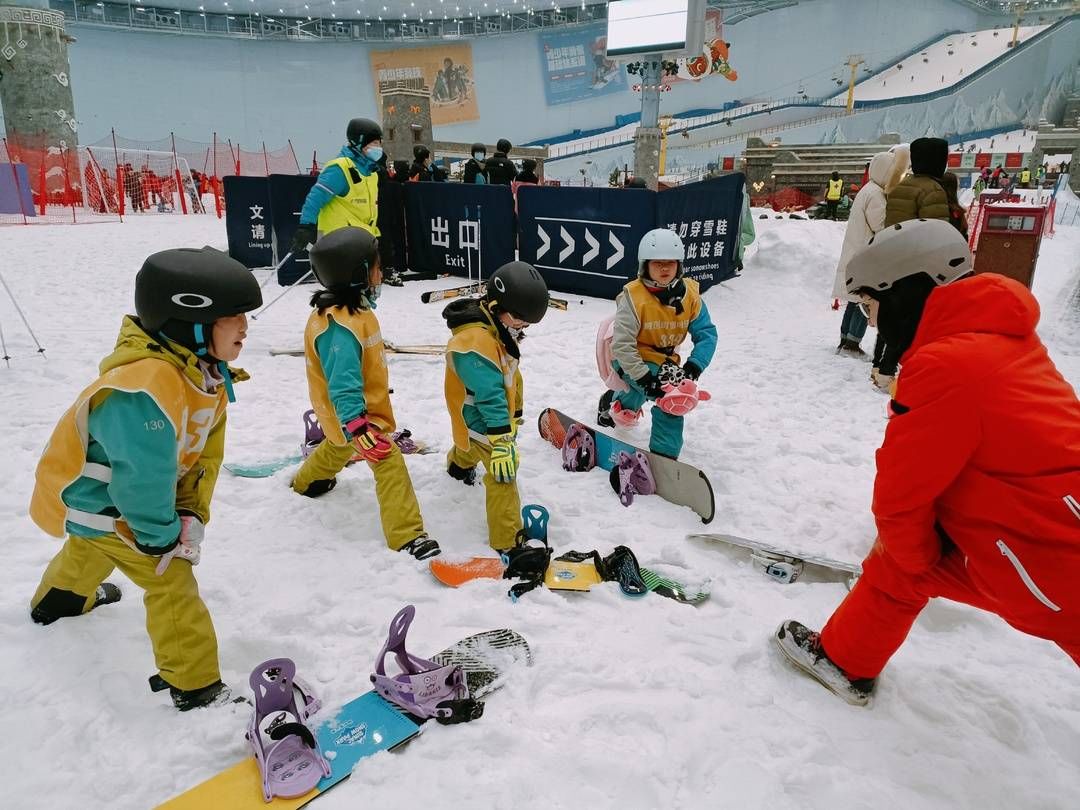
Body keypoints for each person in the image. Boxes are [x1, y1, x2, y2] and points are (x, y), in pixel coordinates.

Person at [775, 218, 1080, 706]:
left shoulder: (945, 366)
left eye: (872, 304)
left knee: (902, 559)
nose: (871, 321)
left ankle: (846, 659)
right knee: (900, 564)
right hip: (1056, 531)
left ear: (906, 294)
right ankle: (845, 658)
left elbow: (901, 497)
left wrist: (918, 559)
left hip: (1049, 556)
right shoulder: (1003, 339)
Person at [28, 248, 263, 711]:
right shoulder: (144, 387)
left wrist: (192, 510)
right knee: (170, 580)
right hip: (111, 505)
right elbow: (141, 477)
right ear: (188, 323)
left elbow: (203, 458)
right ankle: (195, 686)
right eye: (232, 316)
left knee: (88, 550)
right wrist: (159, 538)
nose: (245, 326)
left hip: (106, 507)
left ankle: (56, 601)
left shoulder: (202, 377)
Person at [289, 227, 439, 560]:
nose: (381, 274)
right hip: (355, 418)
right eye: (377, 267)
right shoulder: (338, 328)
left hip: (347, 421)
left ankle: (305, 482)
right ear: (357, 273)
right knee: (387, 460)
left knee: (337, 447)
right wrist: (359, 426)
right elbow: (343, 384)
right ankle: (406, 536)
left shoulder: (353, 313)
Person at [443, 262, 549, 551]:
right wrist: (502, 440)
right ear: (494, 303)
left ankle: (457, 466)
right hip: (484, 420)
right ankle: (507, 540)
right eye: (517, 319)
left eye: (526, 323)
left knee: (470, 447)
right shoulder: (476, 341)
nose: (521, 326)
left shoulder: (497, 330)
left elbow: (509, 375)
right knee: (503, 472)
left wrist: (516, 412)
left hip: (482, 419)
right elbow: (489, 394)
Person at [597, 229, 717, 460]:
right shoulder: (634, 297)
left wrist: (695, 365)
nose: (664, 269)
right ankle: (664, 458)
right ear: (645, 266)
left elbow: (707, 333)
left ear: (679, 265)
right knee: (672, 398)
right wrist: (644, 377)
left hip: (665, 361)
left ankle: (612, 404)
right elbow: (622, 345)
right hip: (631, 357)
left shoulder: (690, 296)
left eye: (670, 263)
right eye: (657, 263)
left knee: (641, 391)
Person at [832, 147, 908, 357]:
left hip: (858, 253)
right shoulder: (875, 194)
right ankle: (852, 343)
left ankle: (845, 339)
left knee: (854, 300)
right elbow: (881, 224)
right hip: (867, 256)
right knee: (865, 300)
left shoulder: (867, 190)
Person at [291, 118, 384, 255]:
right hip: (337, 242)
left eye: (380, 144)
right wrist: (306, 226)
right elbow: (316, 197)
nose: (379, 148)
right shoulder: (340, 168)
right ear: (359, 142)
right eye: (374, 143)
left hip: (361, 240)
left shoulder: (371, 173)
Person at [939, 171, 968, 238]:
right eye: (957, 186)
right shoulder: (954, 210)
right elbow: (963, 229)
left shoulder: (934, 204)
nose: (959, 189)